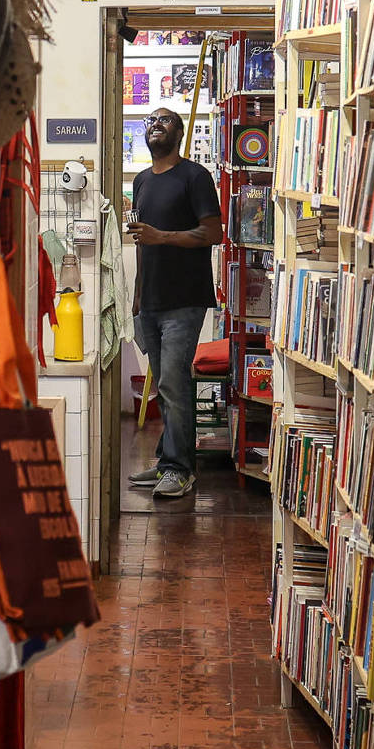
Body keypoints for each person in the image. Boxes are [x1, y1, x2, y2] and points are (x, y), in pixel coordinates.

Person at [126, 106, 223, 499]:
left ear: (179, 134)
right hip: (150, 300)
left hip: (185, 300)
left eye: (165, 120)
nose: (155, 124)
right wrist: (137, 295)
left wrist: (162, 236)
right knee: (164, 387)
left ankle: (182, 470)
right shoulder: (141, 180)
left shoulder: (195, 177)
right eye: (150, 120)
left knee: (173, 383)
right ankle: (169, 461)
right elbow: (142, 243)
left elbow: (213, 233)